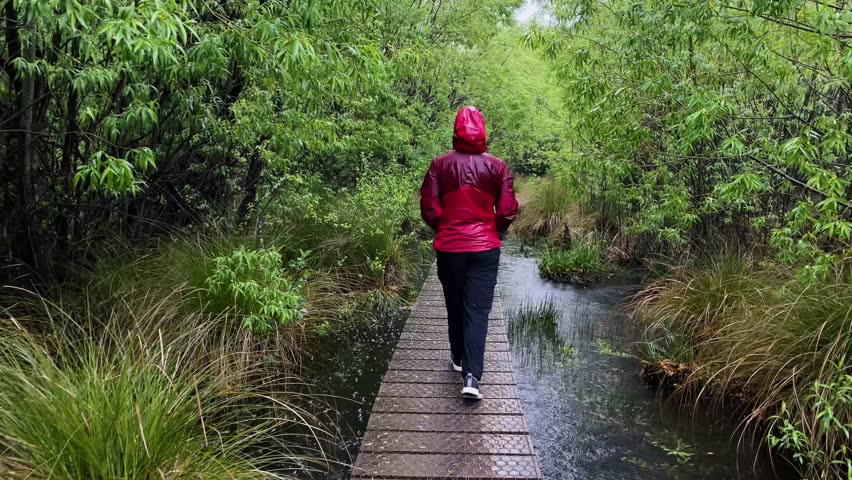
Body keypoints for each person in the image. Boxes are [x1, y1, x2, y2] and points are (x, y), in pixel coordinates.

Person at [419, 106, 519, 400]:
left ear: (455, 129)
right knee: (478, 311)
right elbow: (508, 209)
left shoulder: (439, 164)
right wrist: (494, 228)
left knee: (454, 304)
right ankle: (472, 378)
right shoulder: (498, 166)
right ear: (483, 130)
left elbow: (428, 206)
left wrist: (445, 226)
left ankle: (458, 357)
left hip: (450, 248)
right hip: (485, 248)